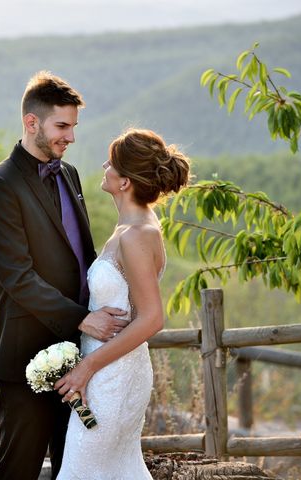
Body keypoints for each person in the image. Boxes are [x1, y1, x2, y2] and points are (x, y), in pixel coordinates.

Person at [0, 71, 129, 480]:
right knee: (19, 470)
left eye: (73, 127)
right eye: (62, 126)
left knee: (74, 468)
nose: (71, 137)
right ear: (31, 123)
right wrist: (82, 317)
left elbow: (82, 256)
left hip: (80, 353)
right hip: (26, 358)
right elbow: (17, 276)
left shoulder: (70, 174)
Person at [54, 128, 191, 479]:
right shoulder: (131, 228)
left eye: (111, 163)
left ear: (126, 181)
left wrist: (86, 368)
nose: (104, 165)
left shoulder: (136, 235)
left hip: (111, 378)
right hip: (107, 372)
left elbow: (151, 319)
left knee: (80, 471)